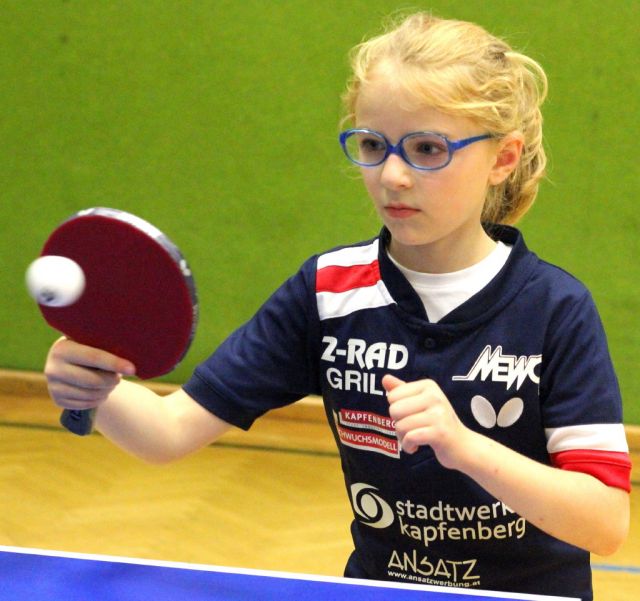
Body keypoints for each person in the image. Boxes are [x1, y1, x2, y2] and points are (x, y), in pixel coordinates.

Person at [44, 12, 630, 600]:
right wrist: (96, 386)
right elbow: (168, 433)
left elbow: (604, 523)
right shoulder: (328, 291)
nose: (392, 175)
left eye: (427, 149)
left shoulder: (554, 309)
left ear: (502, 158)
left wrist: (465, 447)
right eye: (373, 145)